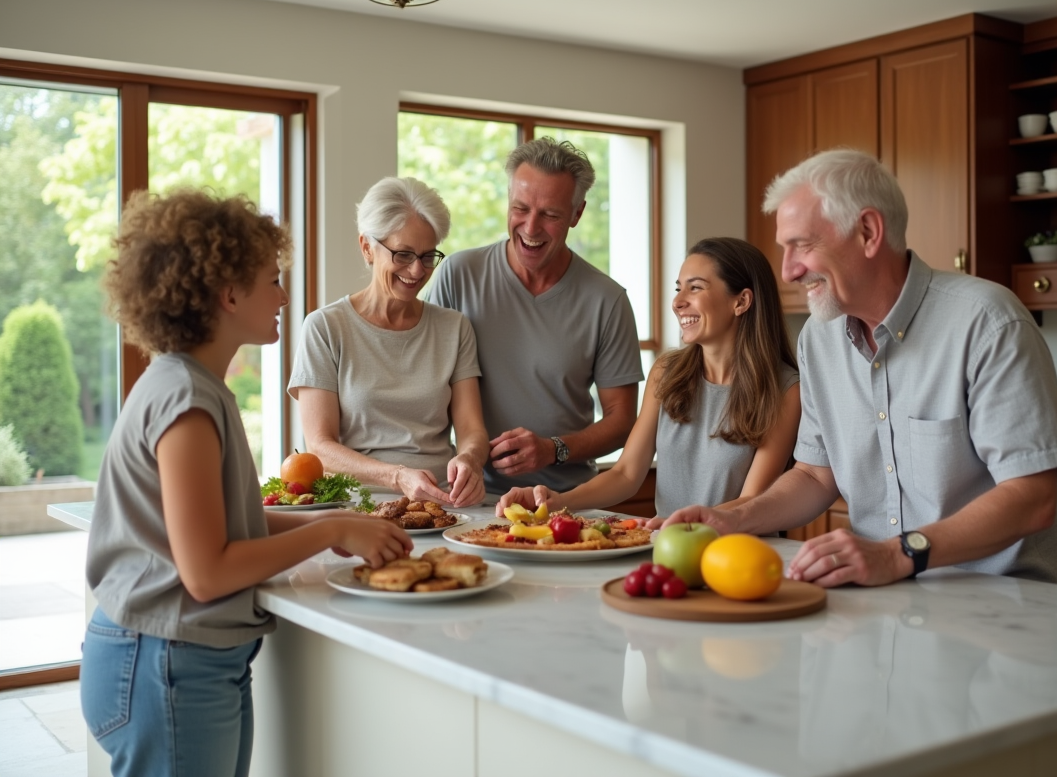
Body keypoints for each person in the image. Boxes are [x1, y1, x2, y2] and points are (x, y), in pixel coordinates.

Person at [81, 189, 412, 777]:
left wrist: (334, 527)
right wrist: (330, 526)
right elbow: (207, 573)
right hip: (164, 663)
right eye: (271, 279)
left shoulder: (192, 386)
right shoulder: (185, 401)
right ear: (228, 294)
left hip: (181, 661)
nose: (284, 295)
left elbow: (229, 522)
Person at [660, 149, 1057, 587]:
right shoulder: (819, 341)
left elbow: (1032, 498)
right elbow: (813, 475)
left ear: (868, 232)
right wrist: (732, 518)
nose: (788, 271)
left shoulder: (988, 323)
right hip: (884, 597)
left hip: (1005, 607)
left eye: (802, 245)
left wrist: (899, 554)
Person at [496, 237, 800, 518]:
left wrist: (685, 525)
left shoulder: (786, 390)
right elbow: (627, 474)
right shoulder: (667, 373)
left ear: (742, 301)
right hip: (667, 551)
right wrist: (556, 501)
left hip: (737, 558)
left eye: (695, 288)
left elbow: (753, 501)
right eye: (678, 288)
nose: (678, 302)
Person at [427, 137, 644, 495]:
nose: (530, 228)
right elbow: (428, 383)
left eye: (550, 214)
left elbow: (621, 421)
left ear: (577, 214)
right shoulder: (458, 274)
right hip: (470, 498)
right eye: (521, 208)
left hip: (568, 502)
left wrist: (552, 449)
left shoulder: (607, 300)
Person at [290, 177, 488, 507]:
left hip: (444, 504)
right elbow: (320, 446)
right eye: (403, 254)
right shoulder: (325, 328)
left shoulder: (455, 328)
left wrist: (470, 460)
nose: (416, 271)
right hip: (360, 506)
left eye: (427, 257)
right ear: (367, 246)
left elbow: (472, 429)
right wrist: (396, 475)